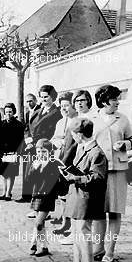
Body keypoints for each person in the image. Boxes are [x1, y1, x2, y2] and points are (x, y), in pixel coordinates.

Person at [90, 85, 132, 262]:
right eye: (114, 99)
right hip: (97, 171)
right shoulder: (91, 118)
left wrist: (125, 144)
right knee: (98, 212)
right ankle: (98, 248)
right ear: (103, 100)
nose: (117, 102)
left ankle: (110, 250)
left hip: (118, 170)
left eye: (117, 98)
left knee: (115, 211)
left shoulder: (123, 119)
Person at [60, 117, 108, 262]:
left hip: (86, 197)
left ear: (79, 134)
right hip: (77, 196)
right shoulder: (83, 148)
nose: (72, 137)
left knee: (83, 232)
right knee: (76, 231)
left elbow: (98, 177)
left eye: (73, 134)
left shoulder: (96, 152)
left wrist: (77, 178)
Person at [22, 85, 62, 218]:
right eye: (41, 96)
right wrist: (28, 139)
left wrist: (38, 143)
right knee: (35, 177)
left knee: (44, 180)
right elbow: (28, 127)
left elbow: (51, 132)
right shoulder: (37, 110)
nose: (43, 99)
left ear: (53, 97)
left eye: (46, 97)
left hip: (44, 148)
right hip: (33, 147)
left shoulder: (56, 113)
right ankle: (36, 207)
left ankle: (45, 210)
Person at [27, 139, 63, 257]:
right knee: (40, 223)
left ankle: (33, 243)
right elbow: (29, 180)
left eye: (44, 151)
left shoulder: (54, 163)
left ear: (49, 152)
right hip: (36, 195)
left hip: (48, 197)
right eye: (38, 151)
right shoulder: (35, 163)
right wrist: (35, 168)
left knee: (38, 222)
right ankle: (44, 247)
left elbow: (61, 179)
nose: (41, 154)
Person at [51, 92, 78, 241]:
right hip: (59, 159)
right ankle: (64, 222)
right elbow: (54, 138)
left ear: (73, 106)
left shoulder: (78, 121)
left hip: (72, 161)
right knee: (62, 194)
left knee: (70, 194)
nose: (64, 109)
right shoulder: (61, 122)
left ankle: (71, 224)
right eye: (62, 106)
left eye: (67, 105)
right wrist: (56, 142)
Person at [0, 103, 25, 201]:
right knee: (4, 173)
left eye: (10, 112)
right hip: (2, 152)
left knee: (11, 173)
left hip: (13, 152)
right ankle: (4, 192)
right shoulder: (1, 124)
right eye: (6, 112)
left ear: (14, 112)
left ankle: (8, 193)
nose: (8, 114)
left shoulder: (19, 125)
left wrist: (17, 153)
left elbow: (21, 140)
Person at [16, 93, 41, 204]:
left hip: (37, 146)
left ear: (35, 100)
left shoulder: (41, 111)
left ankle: (34, 197)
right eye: (27, 101)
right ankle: (25, 195)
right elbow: (26, 128)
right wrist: (27, 139)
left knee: (34, 171)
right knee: (26, 169)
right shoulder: (26, 113)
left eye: (31, 101)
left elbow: (39, 129)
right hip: (27, 145)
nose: (29, 103)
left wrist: (33, 142)